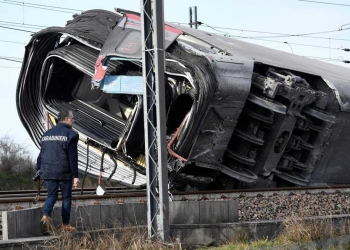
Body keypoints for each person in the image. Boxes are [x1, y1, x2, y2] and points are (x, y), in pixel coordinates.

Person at [36, 110, 80, 235]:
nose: (73, 120)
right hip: (64, 172)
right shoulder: (71, 134)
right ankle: (65, 224)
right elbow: (72, 157)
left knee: (51, 196)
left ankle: (45, 217)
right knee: (66, 198)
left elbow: (41, 154)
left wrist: (38, 169)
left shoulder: (46, 134)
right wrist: (75, 176)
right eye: (72, 118)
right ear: (66, 119)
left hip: (48, 171)